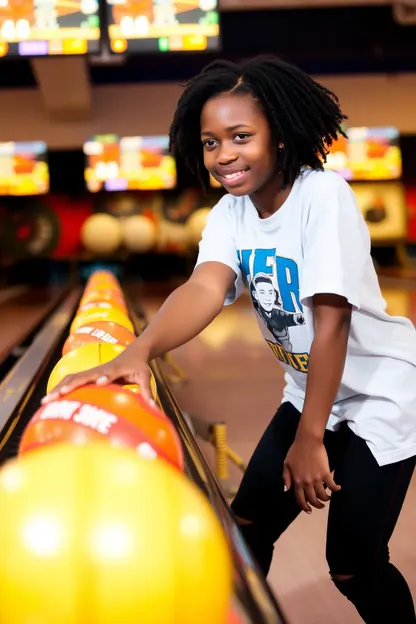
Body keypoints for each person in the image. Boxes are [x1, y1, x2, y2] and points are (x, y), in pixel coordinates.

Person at [43, 56, 416, 623]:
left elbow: (332, 320)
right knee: (244, 530)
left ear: (282, 137)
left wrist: (310, 437)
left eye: (241, 136)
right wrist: (135, 353)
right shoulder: (230, 213)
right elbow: (204, 287)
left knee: (352, 563)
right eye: (211, 142)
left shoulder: (323, 197)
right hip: (311, 390)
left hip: (383, 395)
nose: (224, 154)